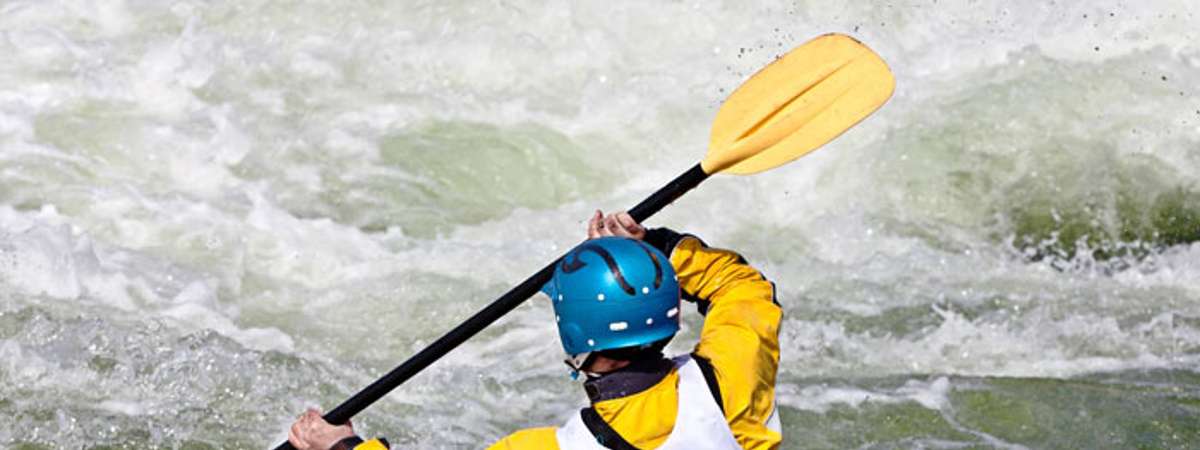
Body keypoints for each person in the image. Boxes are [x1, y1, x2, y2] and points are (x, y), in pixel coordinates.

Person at [288, 211, 782, 450]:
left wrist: (338, 445)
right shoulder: (730, 378)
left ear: (574, 335)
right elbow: (743, 288)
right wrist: (655, 245)